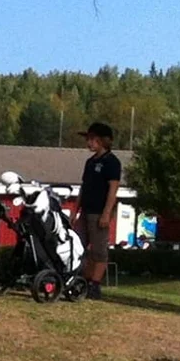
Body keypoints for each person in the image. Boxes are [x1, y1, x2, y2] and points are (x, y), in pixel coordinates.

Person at [74, 121, 122, 299]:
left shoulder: (111, 162)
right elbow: (84, 187)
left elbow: (113, 189)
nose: (89, 143)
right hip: (86, 210)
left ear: (102, 141)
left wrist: (107, 213)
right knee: (78, 245)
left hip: (99, 212)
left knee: (99, 249)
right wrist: (75, 210)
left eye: (92, 139)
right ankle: (82, 279)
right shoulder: (89, 162)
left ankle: (95, 283)